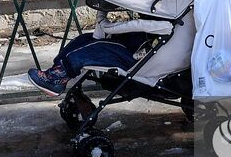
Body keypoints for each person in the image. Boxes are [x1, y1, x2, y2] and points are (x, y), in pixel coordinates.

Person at [27, 11, 169, 95]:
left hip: (141, 56)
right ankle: (57, 72)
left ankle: (58, 77)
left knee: (96, 48)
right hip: (136, 40)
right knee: (84, 40)